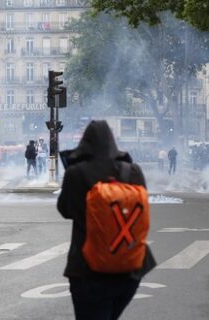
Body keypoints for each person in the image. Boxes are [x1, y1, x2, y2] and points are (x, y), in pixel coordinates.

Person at [57, 121, 156, 320]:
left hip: (88, 269)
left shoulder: (77, 173)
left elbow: (65, 210)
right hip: (130, 269)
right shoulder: (132, 171)